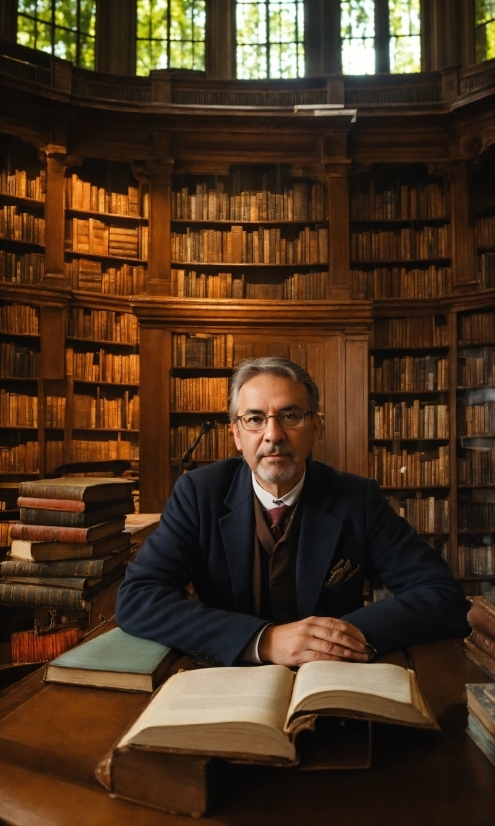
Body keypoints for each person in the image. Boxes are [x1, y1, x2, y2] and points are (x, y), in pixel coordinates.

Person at [116, 357, 468, 667]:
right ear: (236, 435)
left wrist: (340, 637)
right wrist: (264, 640)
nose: (273, 435)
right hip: (227, 676)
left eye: (290, 416)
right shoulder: (198, 493)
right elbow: (139, 597)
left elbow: (441, 594)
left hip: (330, 681)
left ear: (315, 426)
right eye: (255, 419)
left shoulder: (357, 498)